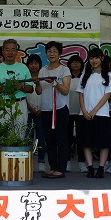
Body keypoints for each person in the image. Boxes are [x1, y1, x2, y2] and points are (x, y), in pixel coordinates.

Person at [77, 48, 111, 178]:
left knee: (103, 143)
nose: (94, 60)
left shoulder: (108, 75)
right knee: (86, 142)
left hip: (102, 114)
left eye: (97, 58)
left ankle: (101, 168)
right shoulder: (85, 74)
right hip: (85, 114)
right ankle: (90, 168)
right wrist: (84, 110)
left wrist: (94, 110)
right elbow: (80, 94)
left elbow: (107, 95)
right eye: (92, 58)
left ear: (102, 59)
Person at [36, 41, 71, 179]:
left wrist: (55, 83)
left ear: (60, 54)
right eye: (49, 51)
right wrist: (38, 83)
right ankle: (53, 167)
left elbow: (66, 90)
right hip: (46, 109)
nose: (52, 54)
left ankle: (61, 168)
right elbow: (38, 92)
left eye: (55, 51)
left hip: (60, 109)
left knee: (61, 139)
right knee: (49, 140)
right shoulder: (43, 70)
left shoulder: (64, 70)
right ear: (46, 54)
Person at [0, 39, 34, 135]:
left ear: (17, 52)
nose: (10, 52)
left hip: (20, 103)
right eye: (7, 50)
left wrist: (20, 86)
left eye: (13, 50)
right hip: (3, 104)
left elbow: (30, 89)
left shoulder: (23, 68)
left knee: (20, 133)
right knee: (4, 135)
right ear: (3, 51)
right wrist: (4, 87)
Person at [25, 54, 46, 173]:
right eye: (31, 63)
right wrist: (31, 108)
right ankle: (29, 162)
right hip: (28, 111)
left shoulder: (43, 77)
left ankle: (41, 162)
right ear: (28, 65)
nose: (34, 65)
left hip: (41, 112)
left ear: (39, 65)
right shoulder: (25, 77)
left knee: (41, 138)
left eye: (36, 63)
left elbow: (43, 94)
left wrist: (40, 109)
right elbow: (24, 96)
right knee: (28, 138)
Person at [67, 54, 87, 173]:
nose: (75, 64)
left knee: (82, 138)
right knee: (67, 138)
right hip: (67, 111)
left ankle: (82, 162)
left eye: (78, 62)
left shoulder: (85, 77)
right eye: (73, 62)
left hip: (81, 112)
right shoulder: (66, 77)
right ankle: (67, 162)